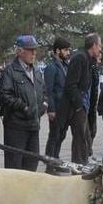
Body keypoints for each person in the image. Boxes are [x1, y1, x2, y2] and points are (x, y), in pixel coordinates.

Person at [0, 35, 46, 171]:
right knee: (14, 166)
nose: (34, 53)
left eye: (34, 50)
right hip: (16, 126)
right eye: (30, 50)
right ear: (19, 51)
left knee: (32, 164)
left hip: (33, 124)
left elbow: (44, 91)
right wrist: (23, 107)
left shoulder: (36, 71)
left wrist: (44, 105)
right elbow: (4, 95)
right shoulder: (10, 71)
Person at [58, 33, 102, 165]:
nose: (101, 48)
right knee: (80, 140)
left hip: (83, 106)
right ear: (93, 45)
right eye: (99, 45)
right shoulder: (80, 58)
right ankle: (79, 168)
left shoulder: (88, 59)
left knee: (84, 139)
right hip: (76, 106)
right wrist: (79, 107)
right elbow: (71, 84)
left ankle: (82, 165)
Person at [43, 37, 70, 171]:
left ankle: (56, 160)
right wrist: (51, 109)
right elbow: (49, 90)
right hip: (56, 108)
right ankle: (50, 163)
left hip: (65, 108)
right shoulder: (51, 67)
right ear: (57, 50)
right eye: (65, 50)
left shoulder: (65, 66)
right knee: (54, 136)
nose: (68, 52)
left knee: (61, 135)